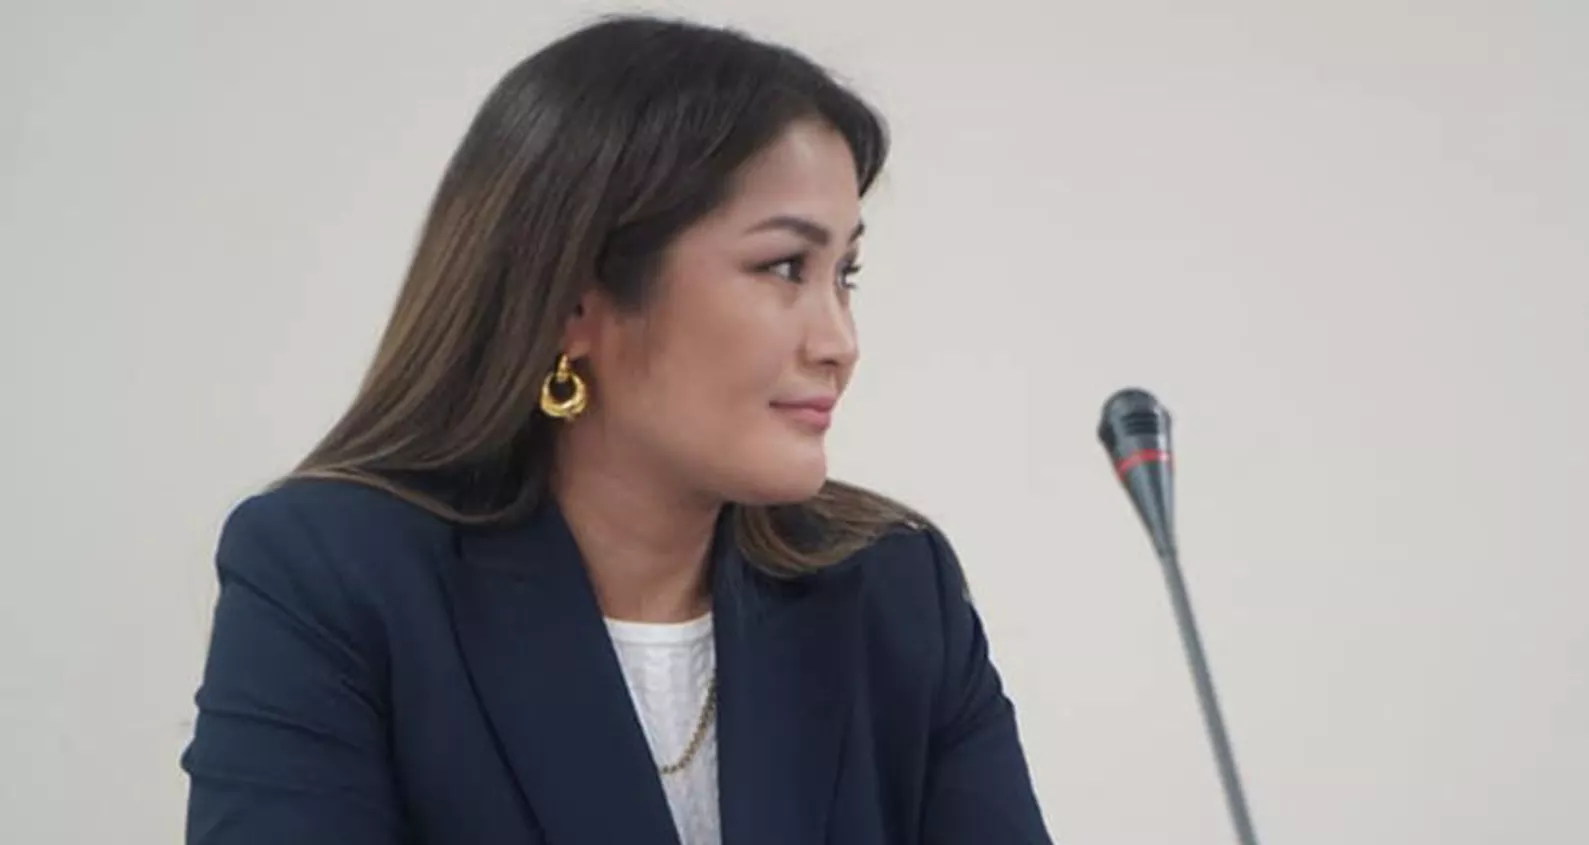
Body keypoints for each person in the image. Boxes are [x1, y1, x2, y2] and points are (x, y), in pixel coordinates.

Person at [180, 15, 1051, 845]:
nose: (839, 343)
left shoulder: (895, 590)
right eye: (785, 266)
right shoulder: (333, 575)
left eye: (844, 275)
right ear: (573, 301)